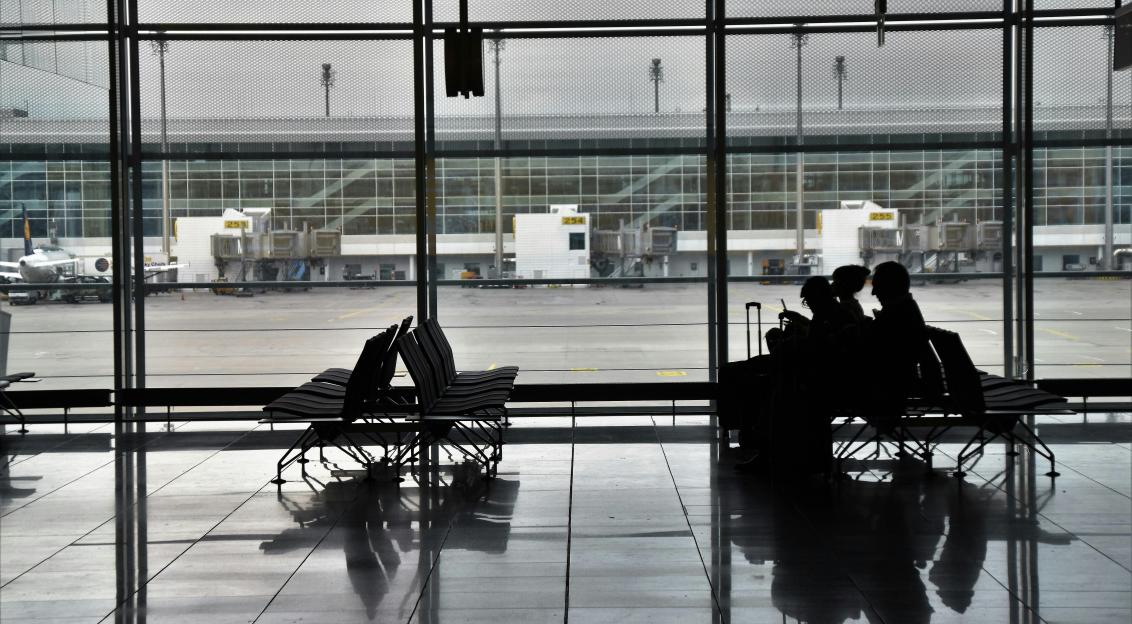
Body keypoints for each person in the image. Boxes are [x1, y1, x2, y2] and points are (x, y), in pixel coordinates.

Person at [866, 261, 930, 431]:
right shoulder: (905, 309)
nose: (873, 292)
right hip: (897, 383)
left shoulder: (894, 315)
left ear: (889, 287)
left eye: (877, 286)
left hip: (890, 388)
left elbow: (874, 351)